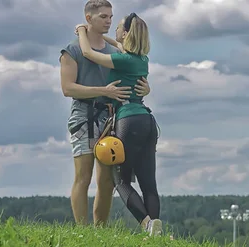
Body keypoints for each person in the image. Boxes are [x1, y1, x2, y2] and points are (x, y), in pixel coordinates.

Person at [59, 0, 151, 227]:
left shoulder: (115, 51)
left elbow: (135, 75)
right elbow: (67, 88)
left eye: (111, 17)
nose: (109, 21)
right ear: (89, 19)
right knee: (84, 176)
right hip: (84, 115)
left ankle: (100, 231)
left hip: (112, 117)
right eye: (103, 17)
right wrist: (103, 90)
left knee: (108, 180)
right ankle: (82, 231)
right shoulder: (71, 51)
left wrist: (147, 88)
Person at [75, 10, 162, 236]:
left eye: (118, 27)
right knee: (148, 184)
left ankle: (145, 223)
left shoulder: (122, 60)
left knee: (119, 180)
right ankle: (156, 226)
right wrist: (102, 36)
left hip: (129, 120)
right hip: (148, 120)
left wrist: (82, 31)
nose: (114, 28)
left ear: (126, 33)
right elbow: (117, 43)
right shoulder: (141, 59)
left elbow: (87, 52)